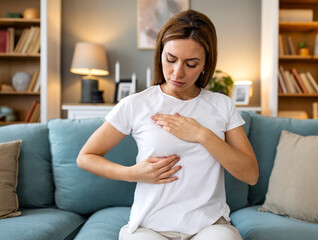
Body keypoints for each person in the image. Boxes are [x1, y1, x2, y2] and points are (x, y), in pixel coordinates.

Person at [77, 9, 259, 240]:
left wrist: (203, 135)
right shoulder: (136, 104)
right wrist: (132, 173)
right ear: (160, 53)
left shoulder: (221, 105)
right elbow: (86, 156)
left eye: (191, 64)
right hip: (149, 227)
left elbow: (250, 174)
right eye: (170, 59)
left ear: (205, 64)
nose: (177, 72)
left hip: (210, 226)